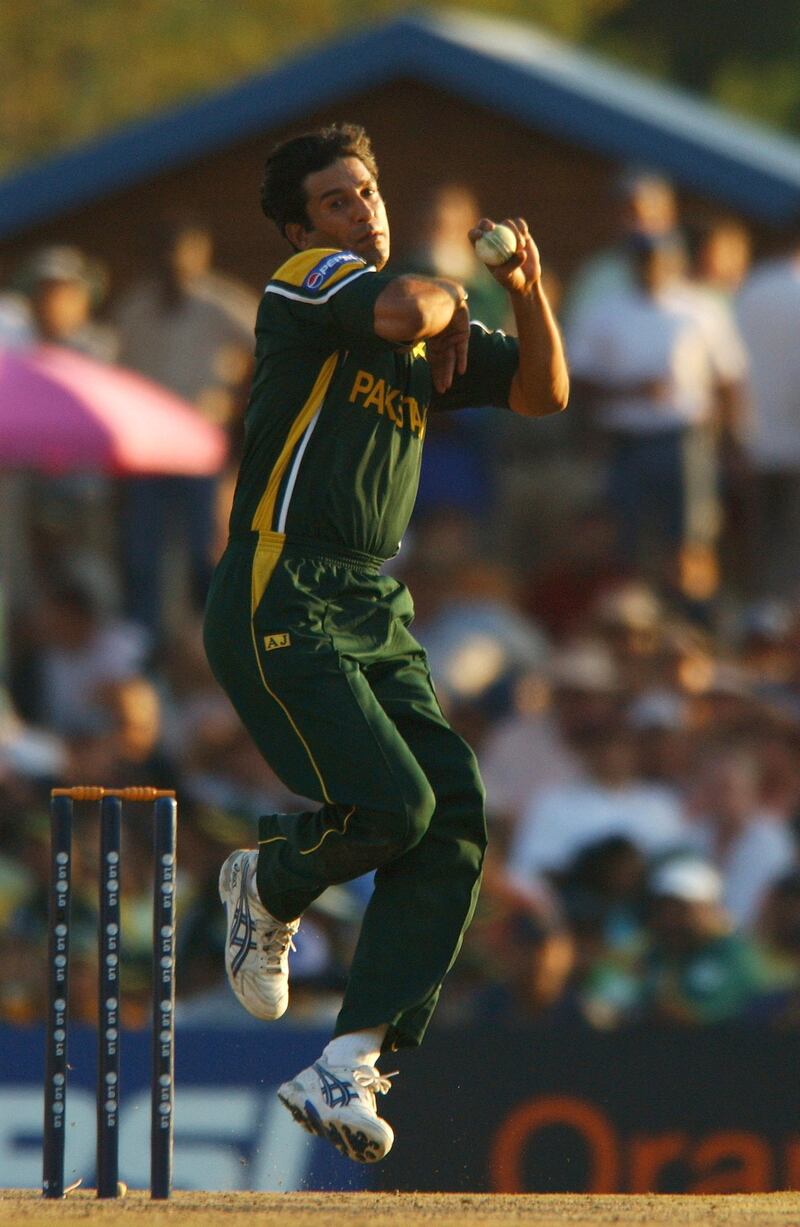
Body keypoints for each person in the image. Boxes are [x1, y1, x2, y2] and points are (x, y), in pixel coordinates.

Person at [203, 123, 568, 1163]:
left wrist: (528, 289)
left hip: (368, 600)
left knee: (449, 818)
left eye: (367, 191)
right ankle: (268, 882)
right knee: (392, 806)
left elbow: (543, 393)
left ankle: (348, 1061)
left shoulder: (421, 322)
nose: (361, 210)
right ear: (297, 225)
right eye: (336, 199)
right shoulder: (306, 282)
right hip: (277, 579)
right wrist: (449, 293)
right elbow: (407, 305)